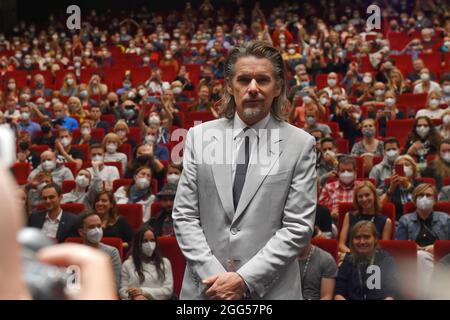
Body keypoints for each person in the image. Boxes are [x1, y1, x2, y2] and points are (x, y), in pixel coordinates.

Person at [172, 41, 317, 300]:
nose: (253, 89)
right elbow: (184, 217)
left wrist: (243, 280)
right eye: (243, 80)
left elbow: (297, 227)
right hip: (207, 289)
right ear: (230, 85)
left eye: (263, 79)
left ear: (278, 87)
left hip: (271, 292)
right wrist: (218, 279)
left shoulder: (300, 144)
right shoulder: (198, 136)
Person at [396, 184, 450, 297]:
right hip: (414, 262)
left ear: (435, 200)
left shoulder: (446, 219)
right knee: (420, 256)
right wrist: (411, 248)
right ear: (415, 200)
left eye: (428, 195)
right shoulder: (405, 220)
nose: (424, 198)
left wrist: (437, 247)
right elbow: (399, 247)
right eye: (420, 195)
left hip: (442, 260)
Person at [335, 221, 401, 300]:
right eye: (357, 237)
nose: (362, 242)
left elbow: (392, 293)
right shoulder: (348, 261)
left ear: (375, 239)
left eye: (366, 237)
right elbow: (338, 293)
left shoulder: (386, 260)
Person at [119, 226, 173, 300]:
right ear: (138, 243)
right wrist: (135, 296)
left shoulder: (165, 263)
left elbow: (168, 291)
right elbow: (122, 291)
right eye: (145, 241)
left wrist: (142, 292)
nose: (149, 244)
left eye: (152, 240)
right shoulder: (127, 264)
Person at [339, 181, 392, 254]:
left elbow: (383, 249)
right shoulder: (349, 216)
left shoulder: (386, 221)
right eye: (360, 196)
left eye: (367, 195)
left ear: (374, 196)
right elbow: (341, 245)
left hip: (373, 260)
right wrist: (354, 256)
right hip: (350, 256)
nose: (364, 199)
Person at [76, 212, 122, 290]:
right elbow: (72, 285)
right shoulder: (74, 254)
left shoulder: (112, 252)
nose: (97, 230)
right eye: (92, 227)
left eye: (99, 226)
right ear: (81, 232)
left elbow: (115, 285)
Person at [380, 155, 420, 221]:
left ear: (413, 168)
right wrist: (390, 190)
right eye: (400, 166)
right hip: (397, 221)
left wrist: (408, 186)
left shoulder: (420, 184)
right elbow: (381, 207)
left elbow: (422, 201)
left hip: (418, 219)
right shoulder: (389, 185)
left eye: (406, 165)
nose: (404, 168)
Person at [319, 156, 359, 220]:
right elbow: (320, 212)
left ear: (355, 171)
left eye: (349, 170)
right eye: (343, 171)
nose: (346, 173)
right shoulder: (328, 188)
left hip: (359, 223)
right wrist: (331, 214)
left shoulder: (362, 187)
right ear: (338, 172)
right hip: (333, 223)